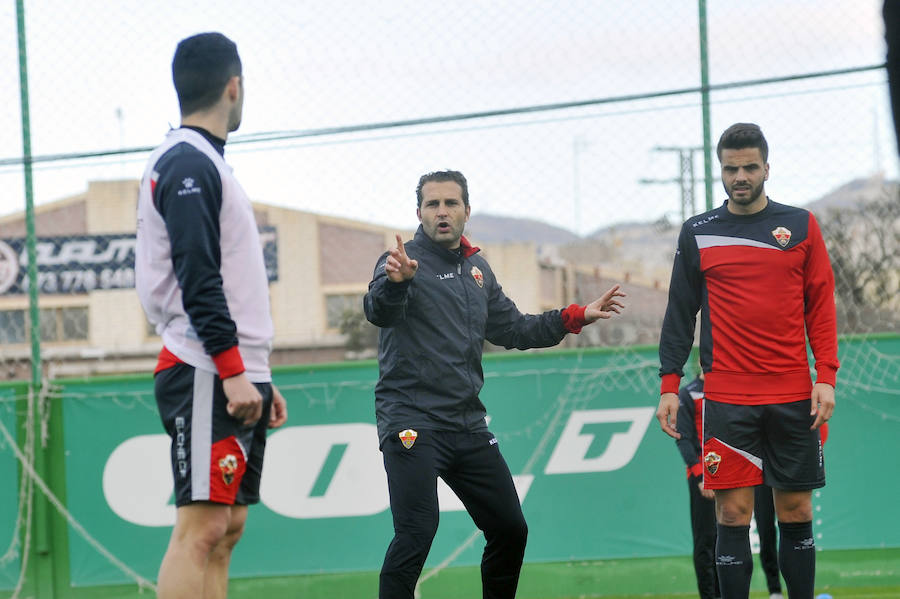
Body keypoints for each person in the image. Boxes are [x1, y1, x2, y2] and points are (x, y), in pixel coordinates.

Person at [364, 169, 626, 599]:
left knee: (510, 529)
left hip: (466, 424)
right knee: (416, 532)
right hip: (412, 421)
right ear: (419, 213)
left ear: (467, 210)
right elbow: (378, 310)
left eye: (451, 203)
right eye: (433, 204)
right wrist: (396, 284)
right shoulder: (402, 262)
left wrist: (576, 315)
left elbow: (516, 329)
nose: (442, 212)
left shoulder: (477, 270)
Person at [656, 123, 838, 599]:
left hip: (794, 395)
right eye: (731, 168)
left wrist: (827, 376)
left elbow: (820, 303)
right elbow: (679, 312)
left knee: (795, 511)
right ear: (721, 170)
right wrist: (669, 386)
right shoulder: (698, 231)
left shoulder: (800, 225)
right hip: (728, 400)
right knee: (732, 515)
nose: (740, 176)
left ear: (766, 168)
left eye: (749, 167)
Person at [135, 32, 288, 599]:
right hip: (203, 364)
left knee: (228, 529)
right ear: (233, 86)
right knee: (200, 530)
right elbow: (197, 277)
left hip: (231, 366)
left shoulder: (206, 164)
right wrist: (231, 368)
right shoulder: (187, 163)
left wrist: (256, 371)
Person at [676, 372, 785, 599]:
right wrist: (700, 476)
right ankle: (711, 595)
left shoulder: (734, 388)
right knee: (707, 539)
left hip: (742, 468)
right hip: (705, 476)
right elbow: (683, 437)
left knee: (764, 527)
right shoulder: (689, 394)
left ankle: (774, 590)